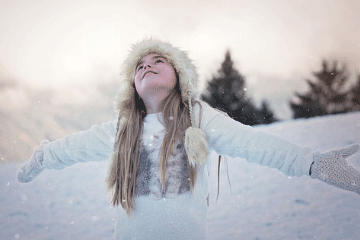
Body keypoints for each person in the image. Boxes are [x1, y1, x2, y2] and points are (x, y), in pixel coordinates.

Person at [17, 39, 360, 240]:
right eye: (139, 66)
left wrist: (313, 162)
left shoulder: (199, 119)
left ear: (179, 77)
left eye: (159, 60)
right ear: (133, 87)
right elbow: (74, 146)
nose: (147, 66)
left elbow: (256, 144)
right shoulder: (122, 130)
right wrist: (45, 155)